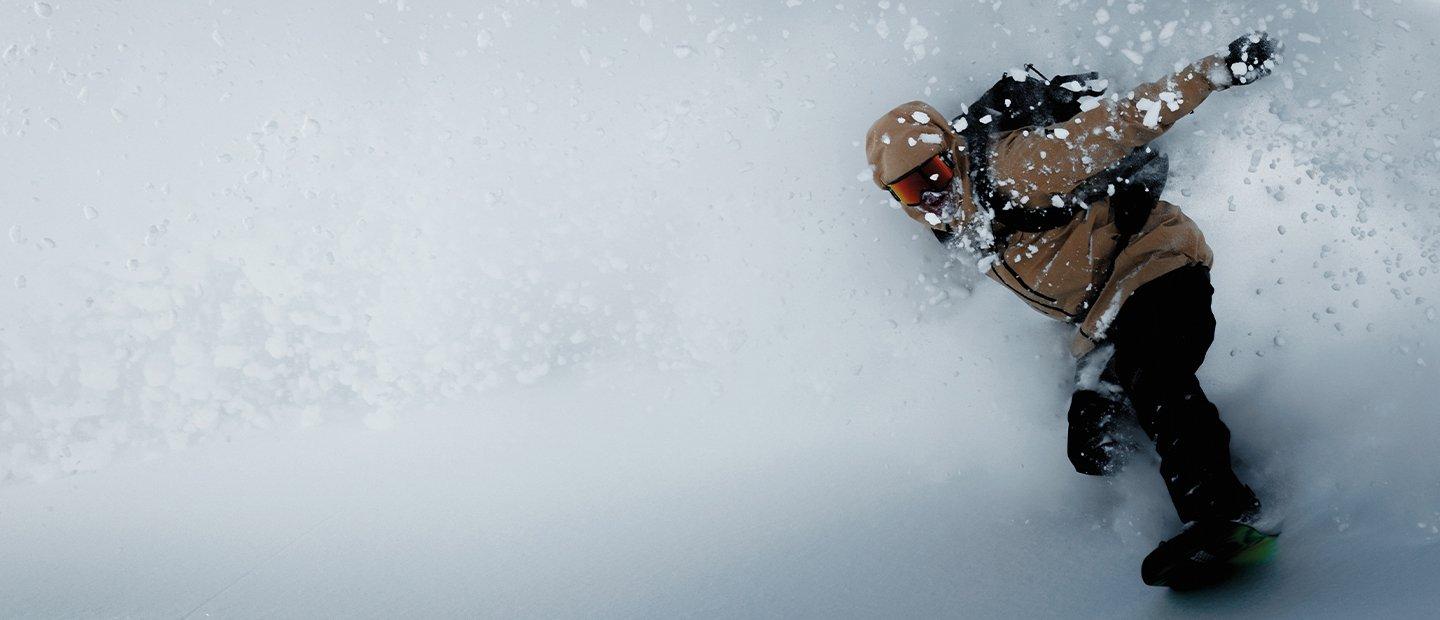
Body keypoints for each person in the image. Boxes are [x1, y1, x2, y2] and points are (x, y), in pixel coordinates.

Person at [863, 33, 1282, 528]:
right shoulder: (959, 226)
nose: (932, 196)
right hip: (1105, 320)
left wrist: (1215, 72)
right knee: (1094, 446)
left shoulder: (1015, 167)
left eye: (934, 174)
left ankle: (1222, 514)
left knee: (1155, 376)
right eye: (911, 190)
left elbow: (1123, 122)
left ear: (951, 153)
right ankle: (1232, 467)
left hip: (1156, 262)